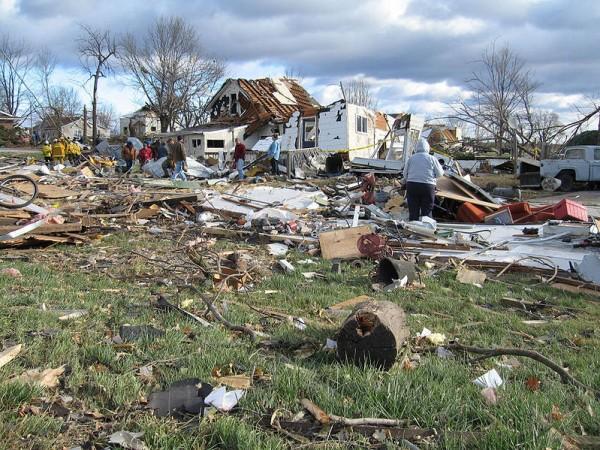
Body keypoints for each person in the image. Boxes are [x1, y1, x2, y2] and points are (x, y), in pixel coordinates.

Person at [404, 138, 444, 221]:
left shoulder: (411, 158)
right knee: (427, 211)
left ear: (416, 148)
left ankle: (412, 230)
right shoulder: (432, 158)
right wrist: (431, 177)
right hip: (428, 186)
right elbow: (440, 174)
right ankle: (426, 230)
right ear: (427, 148)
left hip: (412, 186)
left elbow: (405, 173)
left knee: (413, 211)